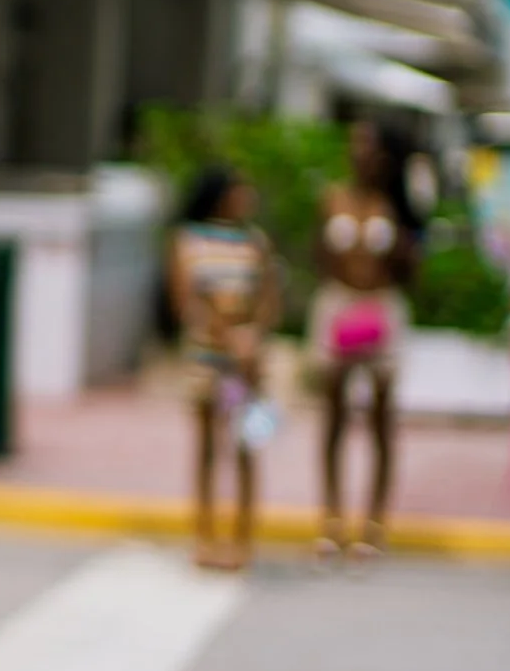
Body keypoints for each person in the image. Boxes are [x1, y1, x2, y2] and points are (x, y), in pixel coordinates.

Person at [306, 120, 423, 564]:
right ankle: (332, 515)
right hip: (339, 305)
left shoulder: (394, 205)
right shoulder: (332, 197)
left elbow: (412, 271)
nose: (361, 154)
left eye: (370, 146)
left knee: (380, 417)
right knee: (333, 413)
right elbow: (317, 254)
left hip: (382, 307)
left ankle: (374, 518)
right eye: (356, 144)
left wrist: (401, 242)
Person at [168, 167, 281, 572]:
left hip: (245, 359)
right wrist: (227, 336)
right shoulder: (189, 240)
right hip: (206, 355)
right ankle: (204, 534)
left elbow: (268, 297)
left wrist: (251, 337)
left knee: (245, 445)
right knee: (206, 447)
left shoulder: (254, 242)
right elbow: (187, 299)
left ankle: (242, 537)